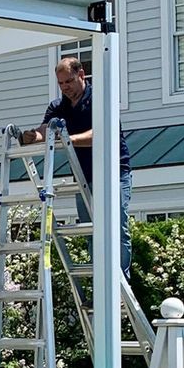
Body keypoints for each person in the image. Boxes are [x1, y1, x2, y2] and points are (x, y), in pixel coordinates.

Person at [21, 56, 133, 275]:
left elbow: (99, 134)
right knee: (91, 231)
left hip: (114, 174)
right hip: (84, 177)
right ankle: (100, 288)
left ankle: (121, 287)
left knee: (117, 229)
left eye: (69, 81)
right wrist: (31, 136)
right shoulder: (58, 106)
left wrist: (66, 139)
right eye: (61, 83)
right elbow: (45, 130)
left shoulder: (101, 99)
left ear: (81, 75)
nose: (65, 88)